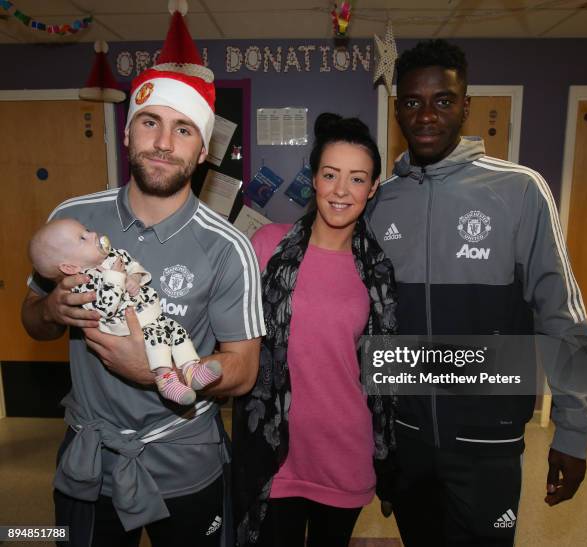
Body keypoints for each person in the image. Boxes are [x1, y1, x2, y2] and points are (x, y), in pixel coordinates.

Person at [21, 9, 264, 547]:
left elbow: (244, 372)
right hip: (92, 463)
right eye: (149, 121)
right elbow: (31, 320)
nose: (163, 141)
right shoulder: (74, 220)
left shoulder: (230, 248)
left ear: (203, 151)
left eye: (183, 130)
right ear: (128, 131)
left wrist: (152, 370)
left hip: (185, 460)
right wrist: (51, 311)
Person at [366, 39, 587, 546]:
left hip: (487, 439)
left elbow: (561, 314)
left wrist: (574, 431)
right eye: (412, 102)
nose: (427, 115)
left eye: (443, 100)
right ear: (398, 108)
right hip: (406, 440)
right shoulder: (380, 202)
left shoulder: (520, 191)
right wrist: (378, 440)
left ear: (466, 105)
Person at [232, 113, 397, 547]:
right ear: (314, 179)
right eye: (330, 175)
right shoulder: (267, 245)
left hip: (344, 451)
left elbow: (381, 372)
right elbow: (231, 339)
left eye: (357, 179)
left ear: (373, 188)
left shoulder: (377, 271)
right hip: (273, 452)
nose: (342, 191)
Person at [28, 218, 222, 406]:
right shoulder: (81, 285)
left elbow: (135, 267)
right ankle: (166, 380)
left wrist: (134, 278)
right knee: (158, 339)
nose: (93, 234)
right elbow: (106, 308)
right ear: (70, 267)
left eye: (86, 230)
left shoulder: (114, 256)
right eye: (82, 238)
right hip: (125, 328)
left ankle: (190, 368)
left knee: (176, 330)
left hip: (150, 313)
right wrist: (115, 277)